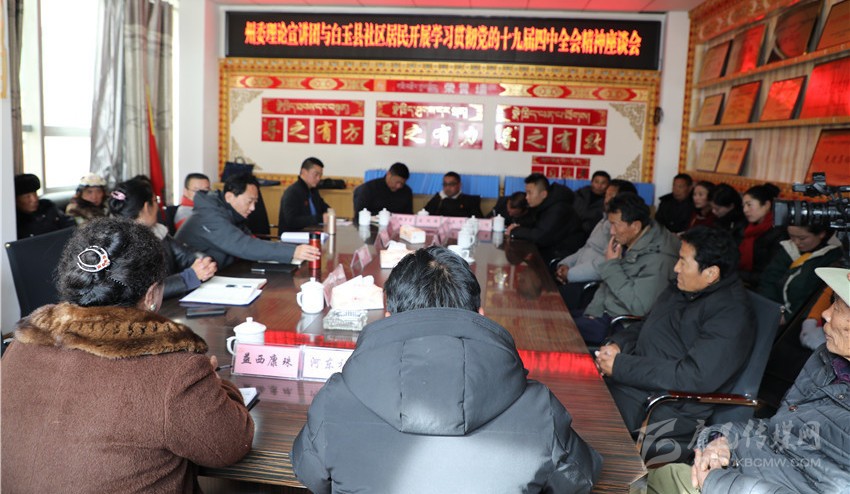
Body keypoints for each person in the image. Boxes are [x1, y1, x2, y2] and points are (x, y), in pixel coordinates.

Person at [291, 246, 603, 493]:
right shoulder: (542, 411)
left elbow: (312, 474)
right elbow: (580, 478)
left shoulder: (334, 400)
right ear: (480, 315)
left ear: (388, 315)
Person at [1, 217, 254, 492]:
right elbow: (230, 446)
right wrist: (217, 383)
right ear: (151, 295)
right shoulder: (176, 369)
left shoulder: (19, 346)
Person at [646, 267, 850, 494]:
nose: (825, 314)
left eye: (839, 308)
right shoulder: (827, 360)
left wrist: (719, 484)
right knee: (659, 475)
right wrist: (723, 439)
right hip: (743, 469)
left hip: (737, 484)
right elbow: (779, 427)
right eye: (832, 301)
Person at [595, 226, 754, 462]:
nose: (676, 267)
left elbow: (693, 376)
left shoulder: (731, 315)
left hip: (667, 405)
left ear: (711, 273)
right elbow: (647, 323)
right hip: (635, 381)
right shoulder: (684, 288)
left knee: (585, 421)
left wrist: (621, 366)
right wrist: (618, 344)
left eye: (683, 261)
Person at [573, 193, 680, 344]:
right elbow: (607, 287)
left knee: (557, 329)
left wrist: (611, 265)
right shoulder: (631, 241)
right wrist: (592, 312)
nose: (611, 231)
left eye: (615, 224)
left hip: (620, 326)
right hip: (604, 313)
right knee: (556, 318)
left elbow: (639, 307)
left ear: (635, 226)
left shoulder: (659, 258)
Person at [176, 173, 320, 267]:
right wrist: (293, 251)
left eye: (255, 202)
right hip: (191, 284)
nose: (253, 208)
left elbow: (251, 239)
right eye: (249, 201)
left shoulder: (230, 212)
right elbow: (243, 245)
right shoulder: (209, 215)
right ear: (229, 197)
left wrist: (290, 250)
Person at [109, 176, 217, 299]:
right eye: (156, 201)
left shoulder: (157, 231)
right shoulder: (121, 244)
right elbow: (144, 291)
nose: (158, 206)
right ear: (146, 207)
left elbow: (185, 254)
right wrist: (190, 277)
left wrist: (204, 262)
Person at [555, 179, 637, 310]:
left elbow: (603, 264)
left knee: (553, 301)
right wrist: (565, 265)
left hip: (591, 285)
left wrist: (570, 274)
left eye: (611, 196)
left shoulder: (620, 230)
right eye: (606, 195)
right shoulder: (603, 220)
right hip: (576, 275)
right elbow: (586, 248)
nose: (606, 200)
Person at [758, 224, 843, 321]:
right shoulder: (787, 248)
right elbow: (768, 279)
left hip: (800, 319)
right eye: (792, 237)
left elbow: (815, 297)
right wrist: (771, 309)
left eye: (802, 238)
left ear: (821, 234)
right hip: (773, 310)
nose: (796, 242)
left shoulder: (832, 258)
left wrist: (788, 317)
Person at [506, 173, 584, 262]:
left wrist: (515, 231)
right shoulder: (543, 204)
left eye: (530, 193)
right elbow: (532, 224)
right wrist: (517, 226)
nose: (526, 197)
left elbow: (541, 236)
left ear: (543, 194)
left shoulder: (558, 208)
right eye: (526, 193)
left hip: (565, 256)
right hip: (551, 250)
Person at [739, 183, 786, 287]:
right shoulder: (746, 227)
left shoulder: (778, 233)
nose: (745, 210)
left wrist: (738, 275)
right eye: (743, 206)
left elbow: (769, 273)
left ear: (766, 205)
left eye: (749, 205)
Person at [14, 173, 74, 238]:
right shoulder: (14, 220)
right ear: (16, 199)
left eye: (35, 193)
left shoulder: (47, 206)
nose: (34, 199)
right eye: (27, 196)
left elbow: (69, 224)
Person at [278, 157, 330, 232]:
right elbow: (292, 221)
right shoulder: (292, 192)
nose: (318, 178)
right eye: (316, 174)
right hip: (294, 235)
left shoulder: (313, 191)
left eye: (320, 175)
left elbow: (325, 207)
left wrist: (330, 213)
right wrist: (320, 218)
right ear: (304, 172)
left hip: (312, 232)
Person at [572, 170, 611, 235]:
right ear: (591, 182)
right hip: (570, 229)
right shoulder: (579, 194)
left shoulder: (608, 202)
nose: (599, 186)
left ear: (608, 185)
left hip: (590, 234)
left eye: (603, 183)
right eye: (596, 182)